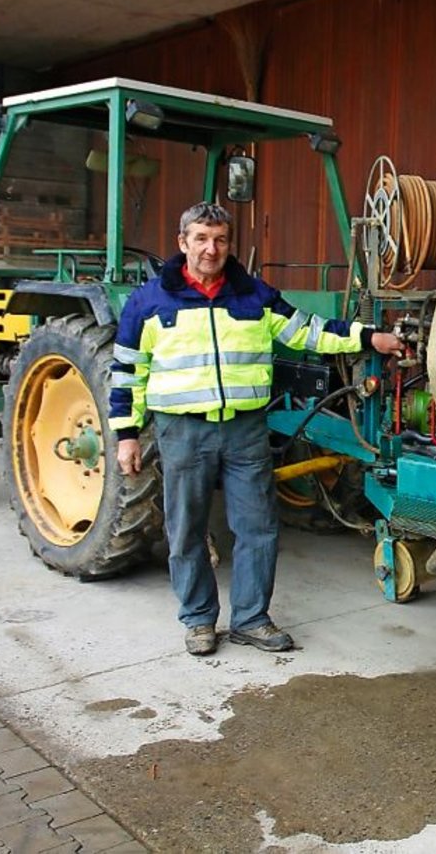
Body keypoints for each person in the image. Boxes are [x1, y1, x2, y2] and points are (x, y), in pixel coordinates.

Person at [109, 201, 402, 656]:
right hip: (182, 433)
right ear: (182, 242)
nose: (211, 249)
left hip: (245, 430)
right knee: (186, 529)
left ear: (230, 243)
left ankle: (250, 618)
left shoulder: (253, 296)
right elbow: (127, 372)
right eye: (201, 239)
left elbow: (309, 332)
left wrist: (368, 337)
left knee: (258, 527)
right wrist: (127, 434)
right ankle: (199, 619)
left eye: (220, 239)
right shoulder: (149, 302)